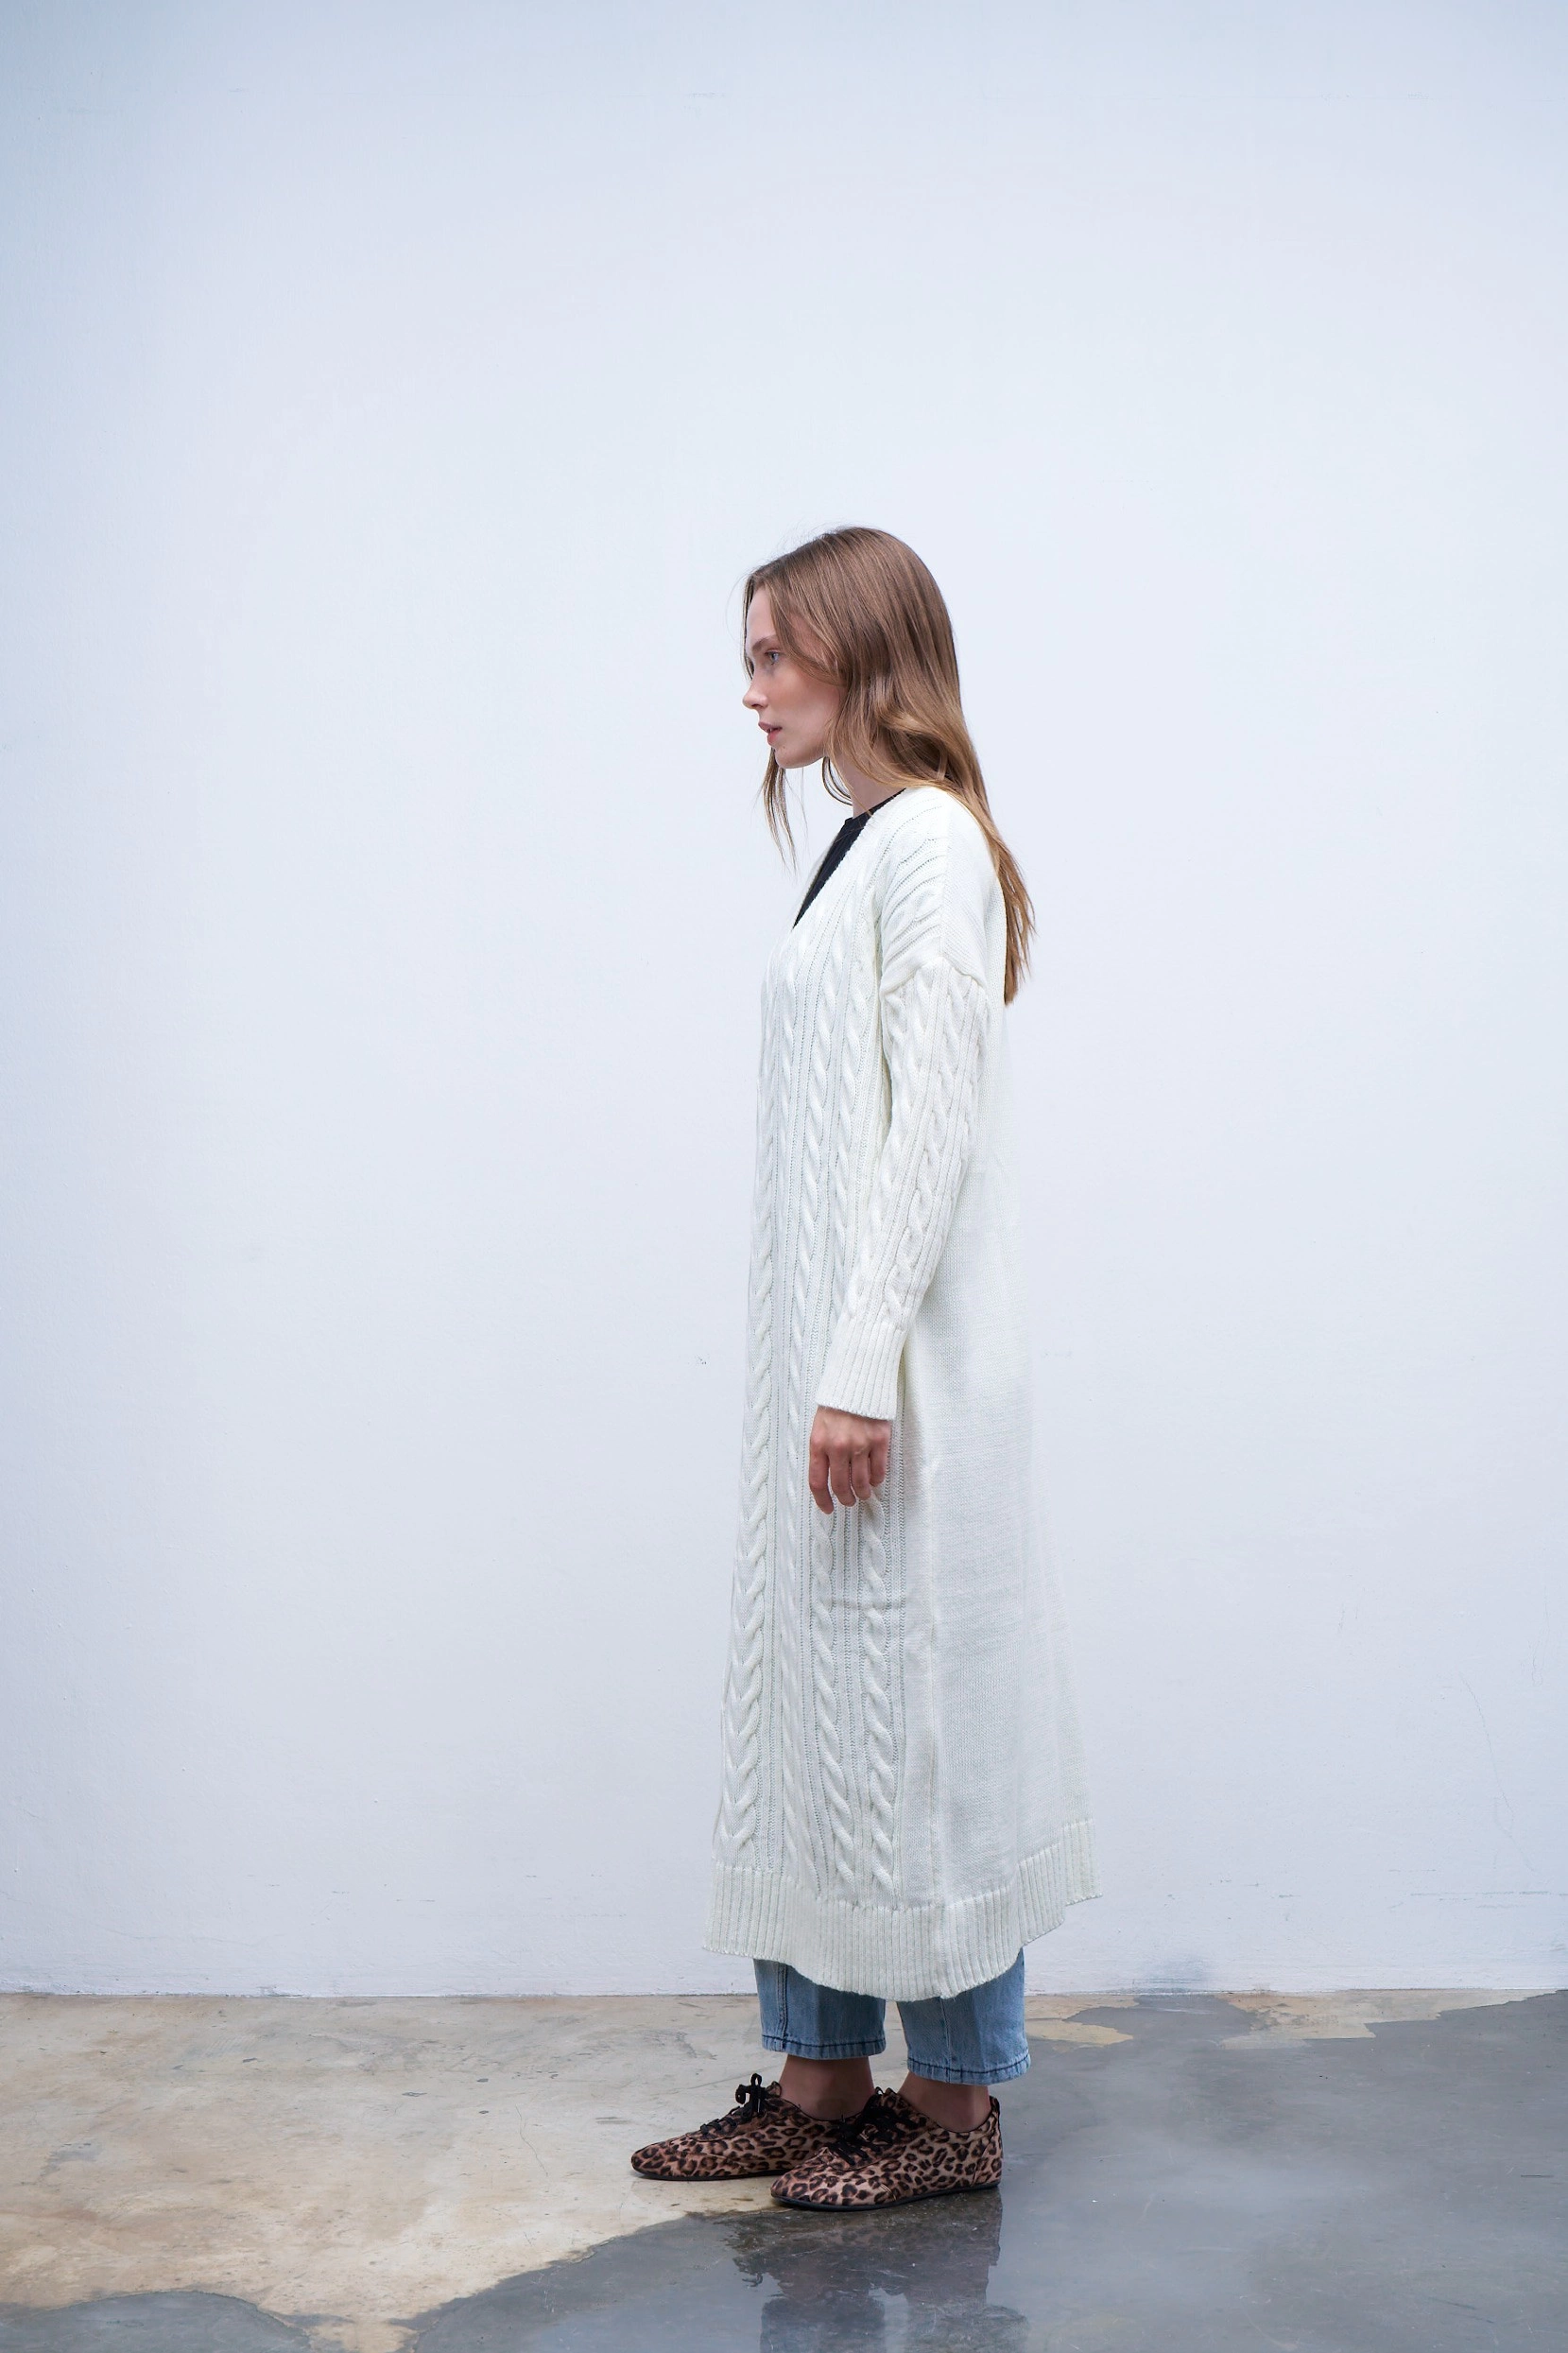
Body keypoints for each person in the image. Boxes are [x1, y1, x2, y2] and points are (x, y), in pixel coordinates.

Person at [631, 527, 1097, 2211]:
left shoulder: (932, 847)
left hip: (898, 1381)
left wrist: (854, 1370)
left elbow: (930, 1134)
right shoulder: (860, 845)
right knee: (820, 1718)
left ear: (858, 651)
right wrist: (818, 1376)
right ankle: (820, 2083)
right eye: (748, 657)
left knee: (921, 1729)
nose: (750, 689)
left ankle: (954, 2110)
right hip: (836, 1379)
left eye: (773, 654)